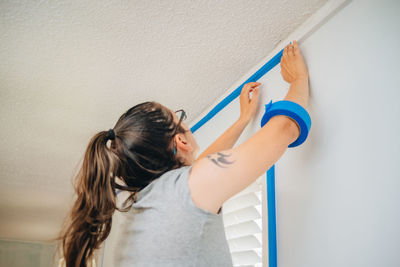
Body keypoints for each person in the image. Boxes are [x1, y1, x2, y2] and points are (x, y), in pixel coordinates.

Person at [55, 40, 309, 267]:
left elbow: (198, 172)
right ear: (180, 140)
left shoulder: (150, 202)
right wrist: (298, 79)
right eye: (180, 117)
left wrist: (243, 121)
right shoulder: (181, 191)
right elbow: (284, 130)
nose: (184, 120)